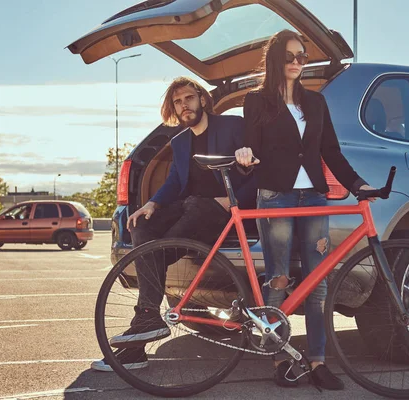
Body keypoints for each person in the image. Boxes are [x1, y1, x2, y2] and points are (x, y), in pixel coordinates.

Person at [235, 30, 375, 390]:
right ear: (275, 59)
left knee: (318, 283)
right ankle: (281, 358)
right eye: (290, 56)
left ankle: (317, 361)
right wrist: (244, 157)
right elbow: (247, 147)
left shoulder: (316, 103)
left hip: (313, 198)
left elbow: (331, 151)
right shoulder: (256, 101)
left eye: (302, 56)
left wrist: (358, 184)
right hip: (276, 197)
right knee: (278, 279)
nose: (297, 62)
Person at [91, 77, 256, 372]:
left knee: (156, 251)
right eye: (178, 102)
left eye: (189, 98)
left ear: (202, 99)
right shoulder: (180, 141)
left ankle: (142, 326)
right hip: (190, 207)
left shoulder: (232, 126)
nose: (184, 106)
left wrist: (233, 201)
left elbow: (258, 167)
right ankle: (145, 327)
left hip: (223, 211)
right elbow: (175, 181)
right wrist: (151, 204)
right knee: (141, 225)